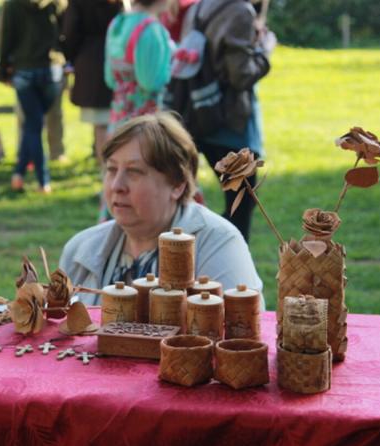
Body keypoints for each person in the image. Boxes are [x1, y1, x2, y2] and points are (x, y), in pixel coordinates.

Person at [59, 113, 264, 307]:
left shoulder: (218, 244)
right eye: (112, 169)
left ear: (177, 184)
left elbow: (240, 329)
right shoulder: (80, 251)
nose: (116, 186)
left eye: (134, 172)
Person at [180, 0, 271, 243]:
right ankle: (225, 260)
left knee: (238, 203)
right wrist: (264, 50)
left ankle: (210, 252)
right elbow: (241, 75)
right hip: (229, 124)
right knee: (241, 205)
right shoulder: (240, 11)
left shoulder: (200, 6)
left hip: (202, 115)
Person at [0, 0, 66, 194]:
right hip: (51, 69)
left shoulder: (12, 5)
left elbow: (6, 36)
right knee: (33, 123)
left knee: (32, 125)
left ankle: (42, 180)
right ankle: (19, 174)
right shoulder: (57, 2)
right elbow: (65, 32)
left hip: (25, 69)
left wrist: (3, 68)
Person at [62, 0, 121, 160]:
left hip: (90, 57)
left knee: (101, 122)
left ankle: (105, 163)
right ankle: (107, 162)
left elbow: (70, 31)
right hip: (115, 55)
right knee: (111, 119)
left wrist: (73, 56)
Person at [104, 0, 172, 132]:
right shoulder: (151, 29)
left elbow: (110, 79)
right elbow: (150, 82)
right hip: (145, 125)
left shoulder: (117, 23)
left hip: (118, 120)